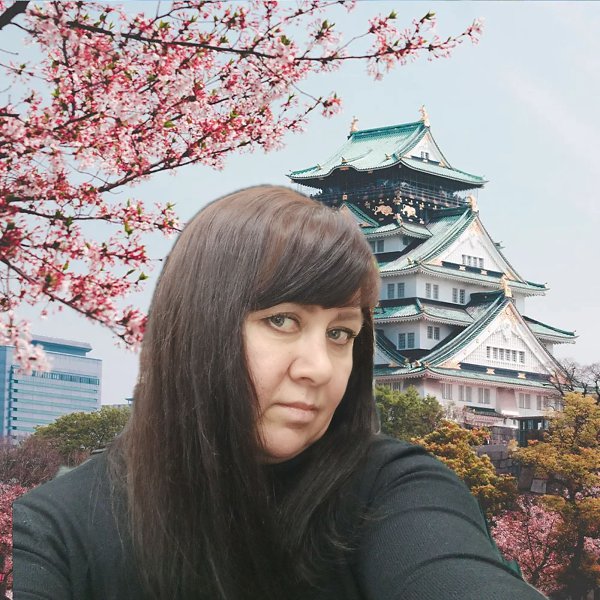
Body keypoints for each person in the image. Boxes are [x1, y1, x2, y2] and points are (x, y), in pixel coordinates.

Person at [13, 186, 547, 600]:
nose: (319, 368)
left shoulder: (392, 489)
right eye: (282, 320)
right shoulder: (59, 527)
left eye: (341, 333)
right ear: (195, 328)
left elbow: (448, 571)